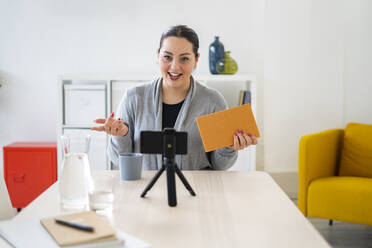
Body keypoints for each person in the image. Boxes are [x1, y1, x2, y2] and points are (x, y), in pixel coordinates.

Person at [92, 25, 258, 170]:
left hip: (196, 191)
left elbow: (220, 166)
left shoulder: (213, 102)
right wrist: (120, 135)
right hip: (145, 191)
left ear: (196, 59)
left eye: (184, 58)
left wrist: (229, 147)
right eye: (167, 57)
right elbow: (118, 160)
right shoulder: (133, 98)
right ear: (158, 56)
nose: (174, 67)